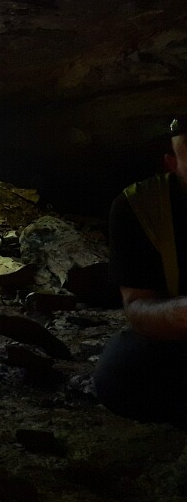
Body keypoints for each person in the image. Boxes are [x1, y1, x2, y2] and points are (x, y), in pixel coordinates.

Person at [94, 115, 187, 428]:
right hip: (180, 338)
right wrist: (181, 313)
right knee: (122, 370)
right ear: (172, 164)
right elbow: (137, 306)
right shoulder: (139, 208)